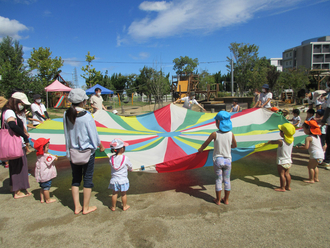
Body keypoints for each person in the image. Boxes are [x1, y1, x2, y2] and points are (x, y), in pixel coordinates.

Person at [63, 88, 105, 215]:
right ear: (83, 101)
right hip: (87, 152)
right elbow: (93, 135)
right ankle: (85, 207)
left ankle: (77, 207)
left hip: (73, 152)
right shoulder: (86, 116)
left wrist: (68, 151)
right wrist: (100, 145)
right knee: (87, 178)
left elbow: (66, 134)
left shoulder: (66, 114)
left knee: (75, 179)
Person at [198, 111, 237, 205]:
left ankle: (218, 200)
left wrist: (201, 149)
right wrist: (228, 147)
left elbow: (206, 143)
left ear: (218, 123)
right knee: (227, 180)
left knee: (218, 180)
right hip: (228, 160)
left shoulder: (214, 134)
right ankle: (226, 200)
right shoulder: (231, 134)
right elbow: (235, 145)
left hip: (218, 160)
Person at [1, 92, 32, 199]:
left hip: (14, 143)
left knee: (16, 165)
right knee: (19, 166)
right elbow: (12, 125)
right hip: (16, 144)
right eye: (22, 103)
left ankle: (14, 187)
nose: (23, 106)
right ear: (16, 102)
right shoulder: (9, 112)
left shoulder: (7, 111)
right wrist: (24, 135)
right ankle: (17, 191)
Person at [267, 123, 295, 192]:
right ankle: (288, 186)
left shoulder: (280, 141)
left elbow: (272, 142)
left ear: (283, 133)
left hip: (282, 161)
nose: (279, 132)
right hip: (288, 161)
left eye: (280, 131)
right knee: (287, 174)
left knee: (282, 174)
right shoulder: (292, 141)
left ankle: (282, 187)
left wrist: (269, 142)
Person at [108, 138, 132, 211]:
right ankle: (124, 206)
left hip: (114, 180)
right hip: (123, 180)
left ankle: (113, 207)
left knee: (114, 193)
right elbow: (130, 165)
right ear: (122, 149)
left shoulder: (111, 158)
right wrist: (130, 169)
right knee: (123, 194)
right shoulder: (125, 158)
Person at [34, 138, 57, 203]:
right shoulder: (45, 156)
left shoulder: (38, 155)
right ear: (42, 148)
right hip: (45, 176)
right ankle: (48, 199)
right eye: (47, 147)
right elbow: (52, 159)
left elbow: (50, 157)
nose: (48, 148)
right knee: (46, 188)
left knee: (42, 188)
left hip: (40, 176)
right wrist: (55, 157)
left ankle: (42, 199)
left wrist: (53, 156)